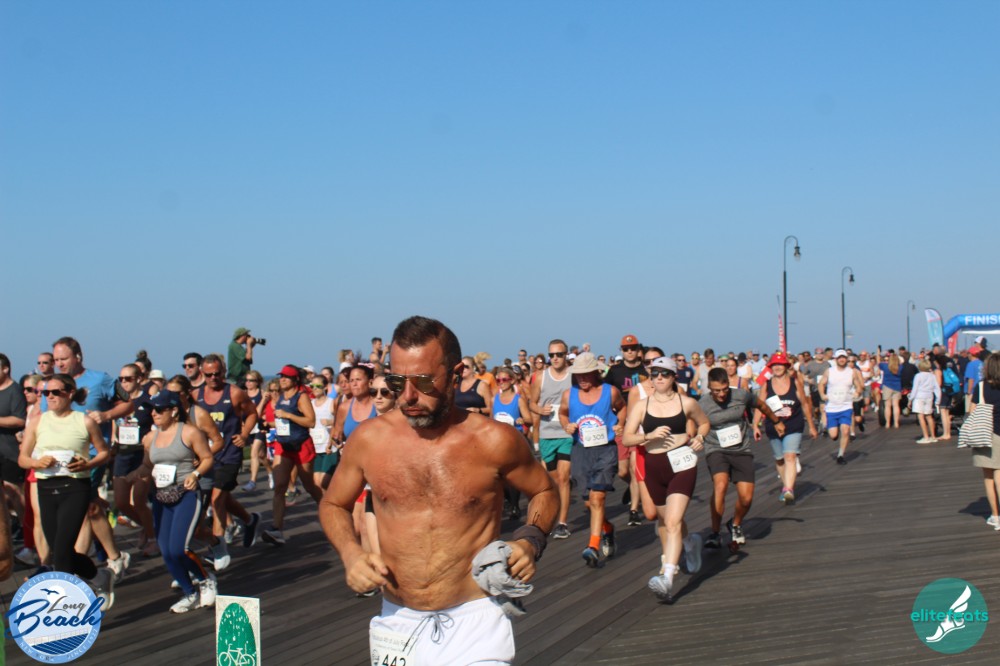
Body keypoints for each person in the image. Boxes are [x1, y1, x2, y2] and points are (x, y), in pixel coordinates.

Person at [319, 316, 557, 665]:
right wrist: (351, 553)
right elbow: (333, 504)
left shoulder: (494, 441)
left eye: (423, 381)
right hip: (397, 621)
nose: (408, 396)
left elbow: (545, 490)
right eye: (398, 382)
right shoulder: (369, 440)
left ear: (456, 374)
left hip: (476, 621)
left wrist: (530, 539)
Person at [18, 374, 114, 606]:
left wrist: (88, 464)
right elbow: (23, 458)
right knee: (59, 550)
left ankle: (67, 605)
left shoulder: (84, 421)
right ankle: (99, 577)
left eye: (55, 392)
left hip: (75, 487)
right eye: (45, 393)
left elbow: (104, 452)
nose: (49, 397)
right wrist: (37, 463)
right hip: (46, 487)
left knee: (61, 552)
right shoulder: (38, 422)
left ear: (70, 393)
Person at [622, 356, 710, 602]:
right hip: (654, 465)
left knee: (672, 521)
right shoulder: (642, 406)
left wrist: (699, 438)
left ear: (673, 377)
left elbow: (704, 423)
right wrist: (648, 436)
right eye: (654, 373)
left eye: (664, 373)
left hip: (682, 463)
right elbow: (627, 438)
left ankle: (667, 578)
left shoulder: (687, 402)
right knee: (667, 519)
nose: (659, 377)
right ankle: (690, 543)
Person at [50, 337, 132, 583]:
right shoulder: (53, 385)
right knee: (92, 507)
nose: (59, 364)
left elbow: (127, 403)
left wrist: (106, 415)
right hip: (59, 458)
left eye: (64, 359)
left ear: (78, 357)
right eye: (56, 360)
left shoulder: (100, 379)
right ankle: (115, 556)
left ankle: (75, 570)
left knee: (81, 507)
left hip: (92, 456)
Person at [137, 390, 216, 613]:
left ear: (173, 411)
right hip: (161, 497)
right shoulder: (150, 438)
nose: (154, 414)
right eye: (152, 410)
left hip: (186, 494)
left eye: (159, 410)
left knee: (179, 549)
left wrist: (195, 474)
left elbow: (207, 458)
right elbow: (147, 465)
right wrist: (135, 475)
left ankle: (206, 579)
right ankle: (189, 593)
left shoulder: (190, 432)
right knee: (166, 551)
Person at [699, 368, 785, 549]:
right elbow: (691, 422)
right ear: (709, 388)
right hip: (716, 449)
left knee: (746, 498)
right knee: (720, 486)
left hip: (741, 450)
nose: (721, 394)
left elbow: (762, 406)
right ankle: (715, 533)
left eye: (724, 389)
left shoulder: (740, 395)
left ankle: (735, 524)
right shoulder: (703, 404)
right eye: (716, 391)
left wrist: (776, 421)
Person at [560, 352, 626, 568]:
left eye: (586, 374)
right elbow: (563, 413)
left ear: (596, 372)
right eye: (578, 375)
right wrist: (566, 425)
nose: (582, 378)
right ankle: (607, 529)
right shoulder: (569, 395)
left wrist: (620, 424)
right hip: (581, 451)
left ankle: (593, 546)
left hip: (605, 449)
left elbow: (622, 407)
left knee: (598, 498)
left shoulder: (610, 392)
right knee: (589, 502)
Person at [195, 354, 260, 570]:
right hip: (207, 455)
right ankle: (249, 520)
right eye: (208, 375)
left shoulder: (234, 393)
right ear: (202, 374)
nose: (213, 378)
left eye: (217, 374)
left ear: (223, 372)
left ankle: (217, 547)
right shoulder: (196, 396)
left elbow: (252, 414)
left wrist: (245, 434)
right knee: (222, 498)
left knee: (216, 499)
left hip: (229, 454)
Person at [261, 365, 323, 546]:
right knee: (280, 486)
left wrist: (288, 415)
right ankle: (276, 529)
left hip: (301, 445)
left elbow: (311, 421)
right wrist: (269, 424)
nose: (282, 379)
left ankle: (332, 512)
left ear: (295, 380)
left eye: (286, 377)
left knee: (309, 486)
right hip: (284, 445)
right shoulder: (281, 396)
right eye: (281, 376)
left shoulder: (301, 397)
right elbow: (281, 421)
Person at [528, 339, 574, 539]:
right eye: (552, 355)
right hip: (547, 433)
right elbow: (531, 402)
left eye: (559, 355)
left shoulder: (573, 375)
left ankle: (562, 523)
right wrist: (539, 410)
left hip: (566, 433)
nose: (555, 358)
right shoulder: (541, 377)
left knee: (563, 478)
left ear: (566, 355)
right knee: (554, 480)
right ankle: (557, 512)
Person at [756, 353, 816, 504]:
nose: (777, 367)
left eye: (780, 364)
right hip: (773, 427)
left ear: (786, 366)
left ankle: (789, 489)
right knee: (780, 459)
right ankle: (786, 486)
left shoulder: (795, 383)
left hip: (793, 424)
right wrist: (755, 425)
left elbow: (804, 404)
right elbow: (759, 406)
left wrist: (811, 425)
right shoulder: (766, 385)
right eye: (774, 365)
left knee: (790, 456)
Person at [112, 363, 157, 556]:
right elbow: (114, 422)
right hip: (123, 455)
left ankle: (153, 538)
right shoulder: (117, 403)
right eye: (121, 379)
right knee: (121, 502)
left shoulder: (148, 401)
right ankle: (149, 527)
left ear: (139, 379)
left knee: (139, 500)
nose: (124, 382)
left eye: (128, 378)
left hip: (141, 455)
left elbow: (158, 424)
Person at [603, 335, 647, 526]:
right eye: (625, 349)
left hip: (641, 426)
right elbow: (604, 393)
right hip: (622, 424)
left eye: (632, 348)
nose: (629, 352)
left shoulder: (646, 369)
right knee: (622, 471)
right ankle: (634, 486)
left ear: (638, 350)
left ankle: (634, 510)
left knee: (634, 468)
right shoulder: (615, 371)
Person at [492, 365, 532, 520]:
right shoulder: (494, 399)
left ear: (512, 380)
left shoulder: (518, 399)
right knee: (499, 475)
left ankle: (515, 505)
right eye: (498, 380)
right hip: (498, 442)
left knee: (512, 475)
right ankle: (509, 501)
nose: (501, 382)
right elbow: (491, 420)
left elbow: (529, 419)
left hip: (515, 441)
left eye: (504, 379)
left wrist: (523, 420)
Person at [970, 354, 1000, 531]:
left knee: (989, 477)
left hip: (987, 434)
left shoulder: (981, 386)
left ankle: (996, 516)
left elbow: (972, 411)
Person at [0, 354, 27, 544]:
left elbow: (19, 420)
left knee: (15, 494)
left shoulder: (15, 391)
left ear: (5, 369)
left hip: (10, 452)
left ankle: (29, 534)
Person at [820, 350, 866, 464]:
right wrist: (822, 394)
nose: (842, 359)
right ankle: (834, 433)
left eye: (844, 357)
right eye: (839, 357)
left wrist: (857, 392)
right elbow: (821, 383)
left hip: (846, 406)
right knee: (833, 435)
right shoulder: (829, 371)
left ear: (846, 359)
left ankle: (840, 455)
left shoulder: (851, 372)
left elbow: (859, 385)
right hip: (832, 407)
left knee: (845, 431)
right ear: (836, 359)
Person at [310, 373, 338, 491]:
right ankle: (326, 502)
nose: (315, 389)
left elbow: (340, 421)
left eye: (318, 386)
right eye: (312, 386)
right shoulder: (310, 404)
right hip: (315, 447)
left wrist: (330, 421)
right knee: (316, 483)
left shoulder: (331, 402)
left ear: (326, 387)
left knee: (324, 481)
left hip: (329, 447)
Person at [910, 359, 942, 444]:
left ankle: (926, 436)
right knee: (929, 416)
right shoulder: (932, 376)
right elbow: (937, 388)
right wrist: (938, 400)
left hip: (919, 397)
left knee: (921, 417)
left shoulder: (918, 376)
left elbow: (915, 389)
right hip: (929, 396)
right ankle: (933, 436)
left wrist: (910, 399)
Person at [879, 351, 903, 429]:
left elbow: (879, 362)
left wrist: (879, 353)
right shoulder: (900, 367)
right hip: (897, 386)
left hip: (887, 386)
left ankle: (888, 423)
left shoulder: (885, 366)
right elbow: (902, 362)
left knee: (887, 406)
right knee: (896, 405)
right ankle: (896, 423)